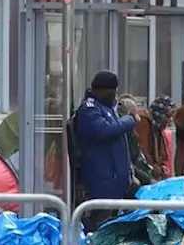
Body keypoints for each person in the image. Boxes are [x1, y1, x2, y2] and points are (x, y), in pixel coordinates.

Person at [74, 70, 139, 230]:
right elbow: (105, 130)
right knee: (100, 221)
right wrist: (129, 121)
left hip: (115, 178)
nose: (115, 94)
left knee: (113, 220)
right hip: (103, 178)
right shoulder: (89, 110)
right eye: (113, 90)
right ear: (105, 90)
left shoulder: (107, 108)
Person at [135, 95, 177, 181]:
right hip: (141, 170)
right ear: (160, 113)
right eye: (168, 116)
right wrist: (152, 166)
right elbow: (142, 149)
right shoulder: (143, 121)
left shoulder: (156, 125)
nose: (170, 120)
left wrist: (162, 165)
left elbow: (161, 153)